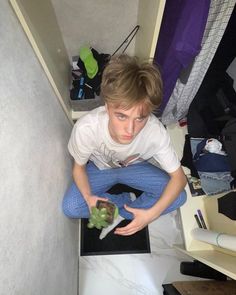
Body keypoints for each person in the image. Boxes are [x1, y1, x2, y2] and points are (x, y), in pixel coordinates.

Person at [62, 54, 187, 239]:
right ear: (107, 105)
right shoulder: (87, 128)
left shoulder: (155, 132)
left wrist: (149, 216)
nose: (130, 130)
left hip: (135, 167)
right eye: (121, 116)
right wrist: (88, 198)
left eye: (140, 118)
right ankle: (121, 201)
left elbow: (180, 179)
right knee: (71, 207)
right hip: (101, 167)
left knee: (179, 197)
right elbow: (78, 168)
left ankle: (125, 212)